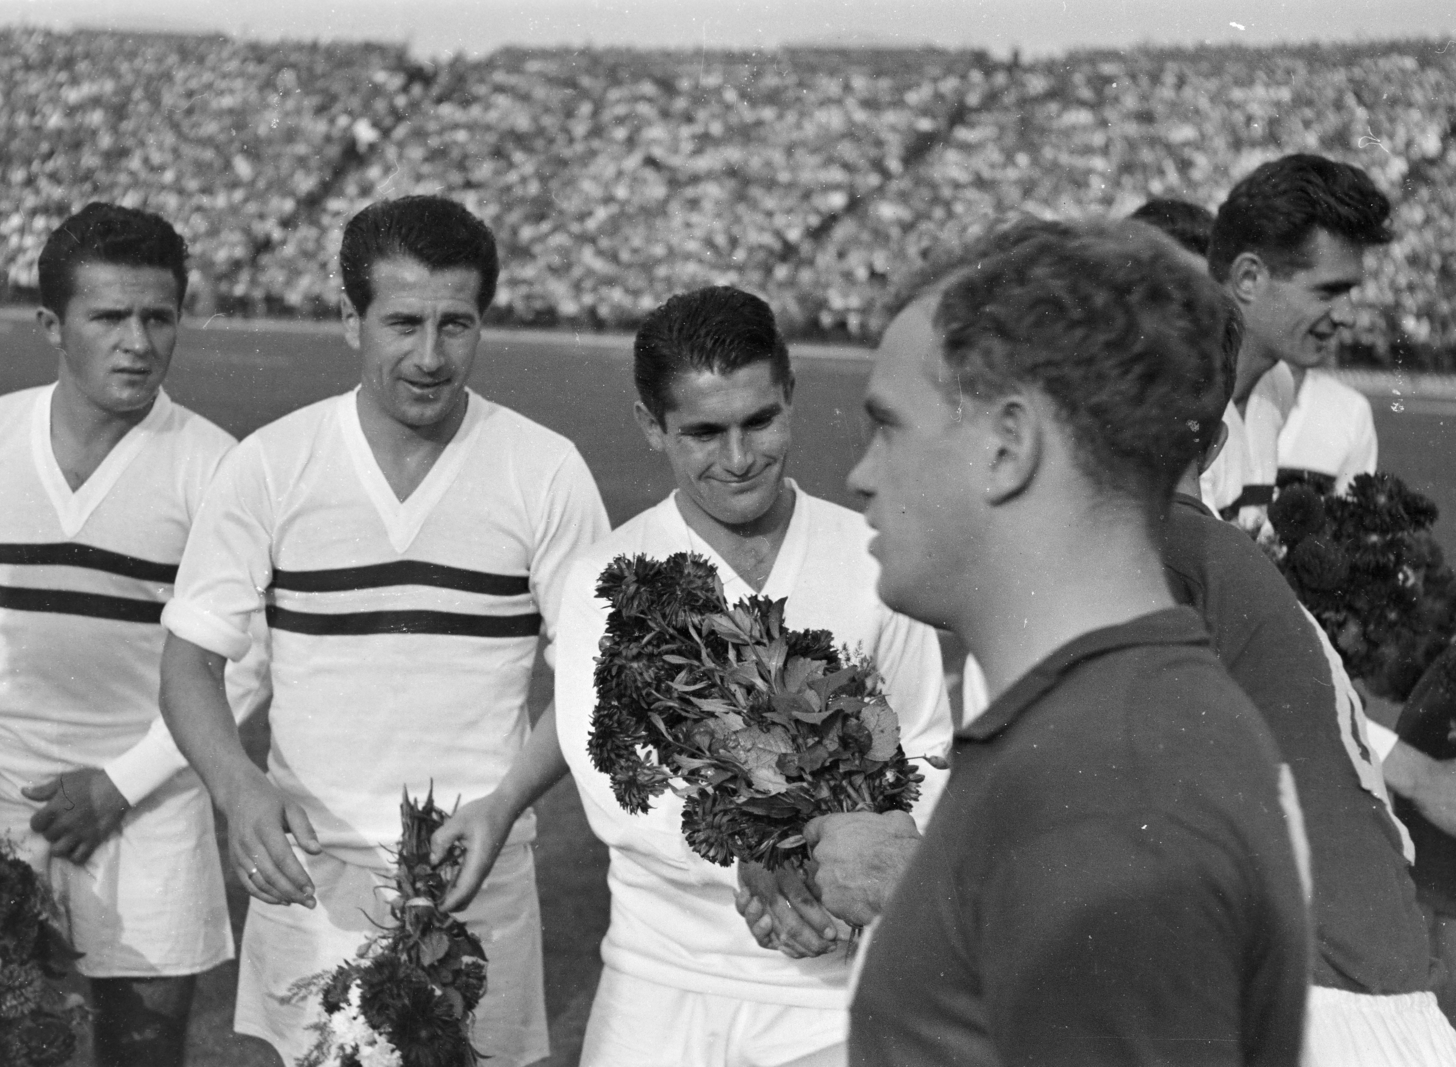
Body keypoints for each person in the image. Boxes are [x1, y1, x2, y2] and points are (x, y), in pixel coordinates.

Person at [826, 221, 1311, 1065]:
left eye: (890, 426)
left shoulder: (1111, 789)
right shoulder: (1107, 728)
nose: (860, 473)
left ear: (1007, 446)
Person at [157, 195, 609, 1067]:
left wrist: (508, 798)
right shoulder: (272, 463)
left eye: (457, 324)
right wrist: (238, 786)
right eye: (402, 322)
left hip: (478, 875)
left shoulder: (543, 468)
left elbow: (597, 680)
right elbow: (188, 662)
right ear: (348, 319)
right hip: (310, 875)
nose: (431, 356)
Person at [0, 202, 259, 1067]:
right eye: (109, 316)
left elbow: (246, 659)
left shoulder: (218, 466)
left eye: (158, 317)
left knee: (142, 1050)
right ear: (53, 325)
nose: (137, 341)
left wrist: (123, 782)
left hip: (148, 804)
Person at [552, 286, 955, 1067]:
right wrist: (772, 852)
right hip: (661, 985)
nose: (738, 459)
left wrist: (856, 862)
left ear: (791, 396)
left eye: (759, 421)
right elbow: (616, 784)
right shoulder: (606, 576)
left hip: (831, 987)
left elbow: (929, 746)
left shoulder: (874, 555)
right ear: (650, 424)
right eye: (704, 432)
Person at [1160, 308, 1456, 1062]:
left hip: (1314, 1008)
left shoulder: (1154, 556)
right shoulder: (1215, 558)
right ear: (1219, 440)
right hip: (1370, 998)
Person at [1201, 153, 1392, 523]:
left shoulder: (1276, 384)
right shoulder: (1174, 397)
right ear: (1249, 278)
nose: (1346, 317)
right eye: (1327, 292)